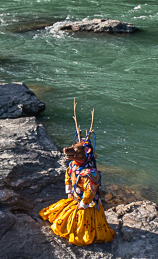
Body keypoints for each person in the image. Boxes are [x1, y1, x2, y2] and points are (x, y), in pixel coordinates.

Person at [38, 103, 114, 246]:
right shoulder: (73, 165)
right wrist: (69, 190)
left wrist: (84, 203)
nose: (71, 156)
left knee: (82, 221)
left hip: (87, 204)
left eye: (76, 154)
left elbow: (90, 192)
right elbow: (68, 175)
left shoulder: (90, 173)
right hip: (75, 196)